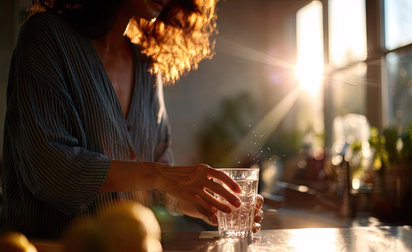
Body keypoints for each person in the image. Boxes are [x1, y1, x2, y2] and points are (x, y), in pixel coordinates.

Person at [1, 0, 264, 238]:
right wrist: (162, 175)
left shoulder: (147, 66)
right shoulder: (46, 37)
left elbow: (157, 188)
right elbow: (50, 172)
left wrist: (197, 201)